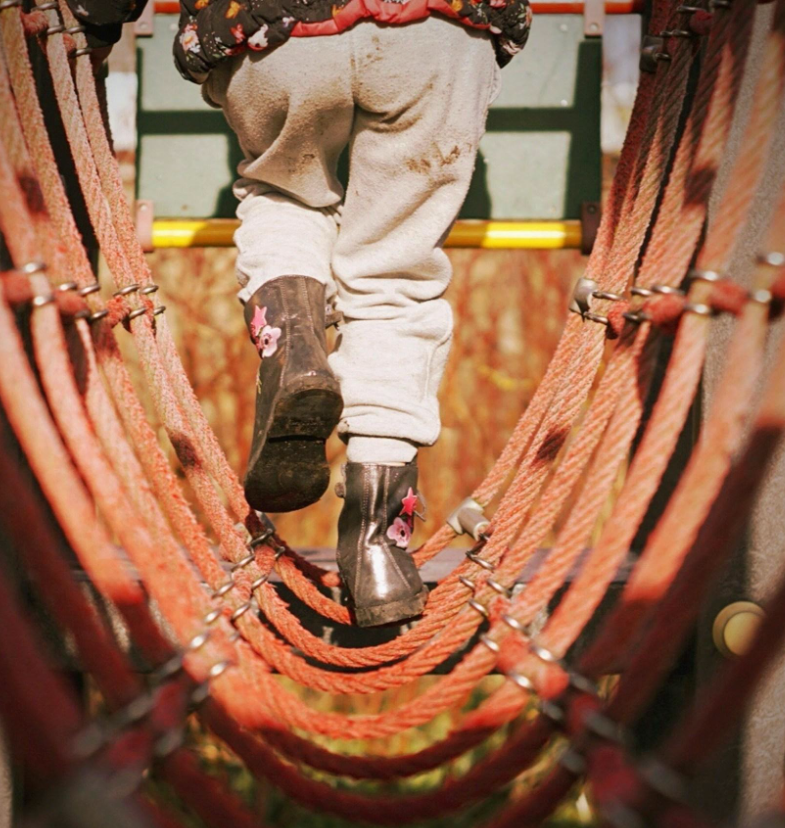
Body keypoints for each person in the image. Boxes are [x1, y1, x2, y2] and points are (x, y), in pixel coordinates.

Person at [64, 0, 531, 627]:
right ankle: (378, 551)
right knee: (394, 273)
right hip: (440, 31)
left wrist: (93, 19)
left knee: (285, 195)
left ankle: (294, 346)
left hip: (272, 28)